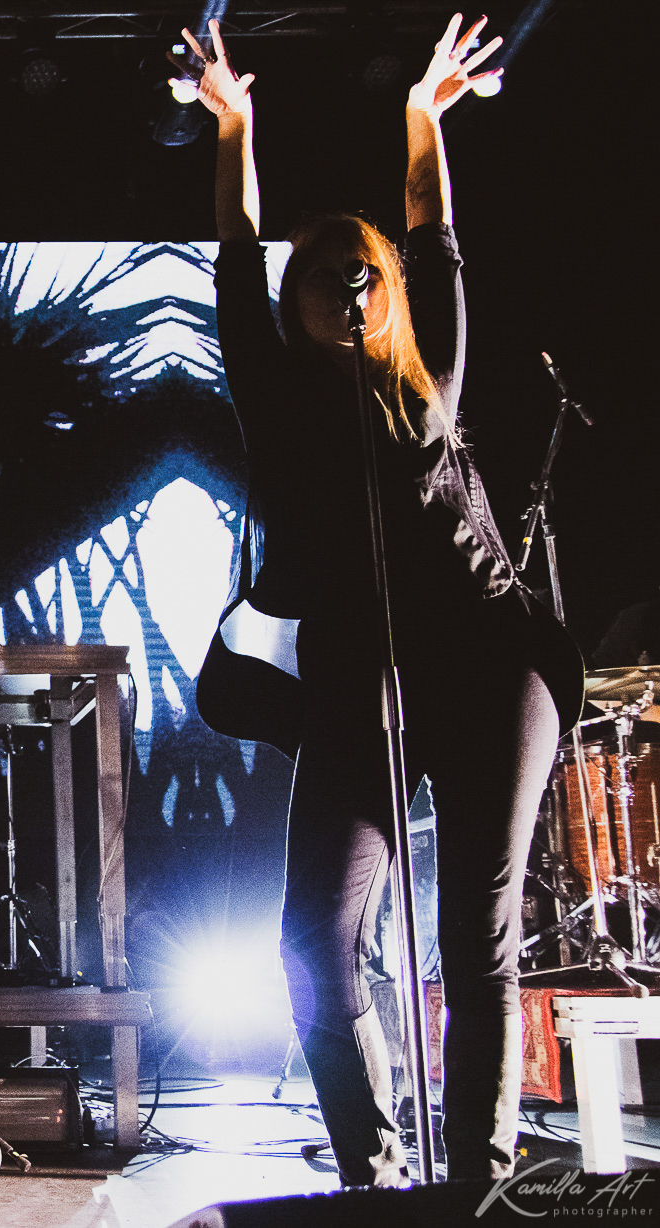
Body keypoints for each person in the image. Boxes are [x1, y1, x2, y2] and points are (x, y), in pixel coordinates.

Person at [182, 16, 582, 1185]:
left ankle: (478, 1176)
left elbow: (430, 231)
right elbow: (234, 247)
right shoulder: (274, 397)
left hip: (491, 658)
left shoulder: (430, 377)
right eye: (323, 276)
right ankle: (372, 1163)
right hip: (363, 676)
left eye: (363, 273)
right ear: (295, 302)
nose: (348, 286)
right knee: (314, 936)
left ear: (387, 295)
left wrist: (423, 116)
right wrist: (235, 125)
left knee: (476, 931)